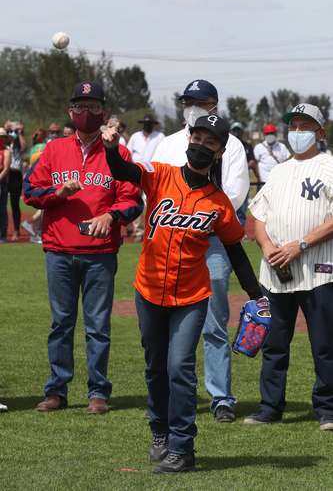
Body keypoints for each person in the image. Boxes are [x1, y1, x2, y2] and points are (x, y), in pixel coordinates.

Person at [103, 114, 263, 473]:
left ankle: (182, 447)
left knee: (180, 368)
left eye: (211, 142)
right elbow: (122, 171)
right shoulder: (160, 175)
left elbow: (236, 251)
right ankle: (159, 432)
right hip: (148, 290)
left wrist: (256, 293)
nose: (202, 145)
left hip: (191, 297)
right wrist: (112, 148)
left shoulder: (218, 202)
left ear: (220, 152)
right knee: (155, 367)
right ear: (189, 139)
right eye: (199, 138)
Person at [23, 81, 143, 414]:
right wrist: (57, 193)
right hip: (59, 250)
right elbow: (29, 191)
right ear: (69, 111)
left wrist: (112, 215)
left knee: (97, 326)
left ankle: (98, 392)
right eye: (79, 105)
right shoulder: (54, 149)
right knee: (61, 323)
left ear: (103, 111)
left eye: (92, 106)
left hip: (100, 254)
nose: (85, 112)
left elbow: (133, 200)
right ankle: (56, 391)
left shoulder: (117, 152)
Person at [153, 79, 249, 423]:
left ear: (215, 104)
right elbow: (151, 190)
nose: (193, 105)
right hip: (168, 241)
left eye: (201, 100)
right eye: (188, 100)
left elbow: (235, 195)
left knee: (213, 322)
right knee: (165, 324)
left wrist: (194, 213)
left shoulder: (231, 145)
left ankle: (221, 395)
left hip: (211, 241)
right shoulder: (167, 144)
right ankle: (174, 394)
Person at [246, 103, 333, 431]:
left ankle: (327, 408)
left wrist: (301, 244)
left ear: (320, 132)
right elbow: (258, 216)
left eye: (305, 126)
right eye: (293, 126)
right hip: (276, 273)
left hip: (319, 269)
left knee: (325, 344)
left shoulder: (329, 166)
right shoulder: (278, 171)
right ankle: (270, 407)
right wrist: (267, 246)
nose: (297, 131)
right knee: (273, 343)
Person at [21, 128, 48, 244]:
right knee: (43, 207)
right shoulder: (44, 147)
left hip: (34, 177)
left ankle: (35, 232)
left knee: (42, 208)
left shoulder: (32, 149)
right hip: (42, 177)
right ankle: (33, 227)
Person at [230, 122, 258, 227]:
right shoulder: (227, 146)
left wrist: (243, 165)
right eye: (234, 130)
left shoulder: (247, 146)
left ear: (242, 132)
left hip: (242, 182)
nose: (236, 133)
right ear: (231, 132)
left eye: (238, 130)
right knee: (229, 207)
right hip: (229, 181)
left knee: (242, 208)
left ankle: (240, 231)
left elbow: (252, 162)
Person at [4, 120, 26, 241]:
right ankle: (3, 230)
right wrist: (7, 127)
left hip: (15, 174)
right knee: (2, 204)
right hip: (4, 174)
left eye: (14, 132)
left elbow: (24, 146)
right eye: (10, 132)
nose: (12, 134)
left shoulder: (19, 142)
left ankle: (16, 231)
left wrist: (19, 132)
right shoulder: (4, 144)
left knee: (14, 204)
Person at [0, 128, 11, 243]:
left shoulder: (7, 152)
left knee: (2, 209)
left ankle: (3, 235)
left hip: (2, 184)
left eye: (2, 137)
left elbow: (6, 168)